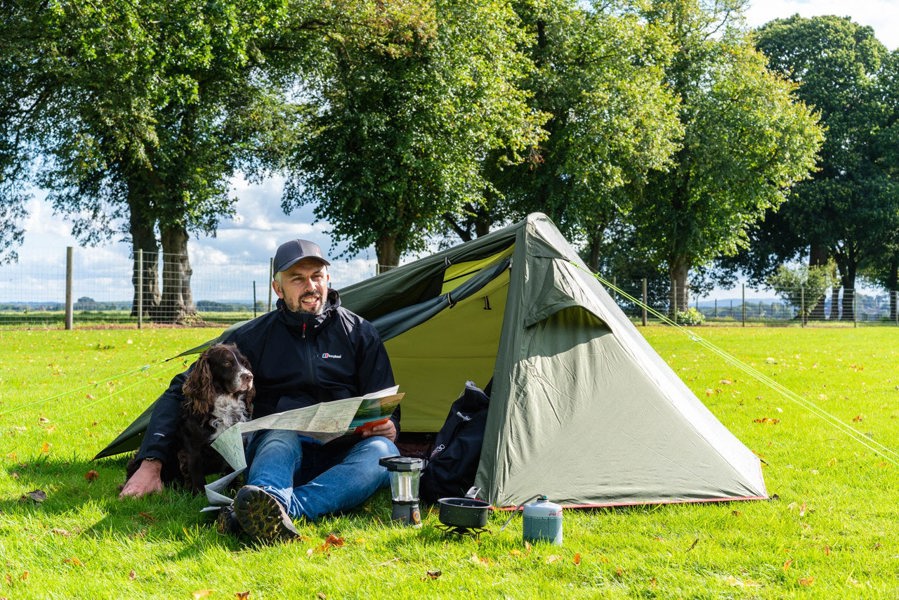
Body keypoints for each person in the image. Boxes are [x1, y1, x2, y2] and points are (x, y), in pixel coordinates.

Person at [120, 238, 400, 543]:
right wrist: (151, 462)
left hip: (342, 454)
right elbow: (180, 390)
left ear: (328, 279)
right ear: (278, 288)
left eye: (317, 276)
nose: (311, 286)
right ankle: (268, 502)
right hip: (276, 450)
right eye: (298, 279)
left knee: (383, 453)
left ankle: (266, 511)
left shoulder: (361, 333)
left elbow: (386, 405)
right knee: (280, 435)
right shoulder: (251, 336)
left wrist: (389, 426)